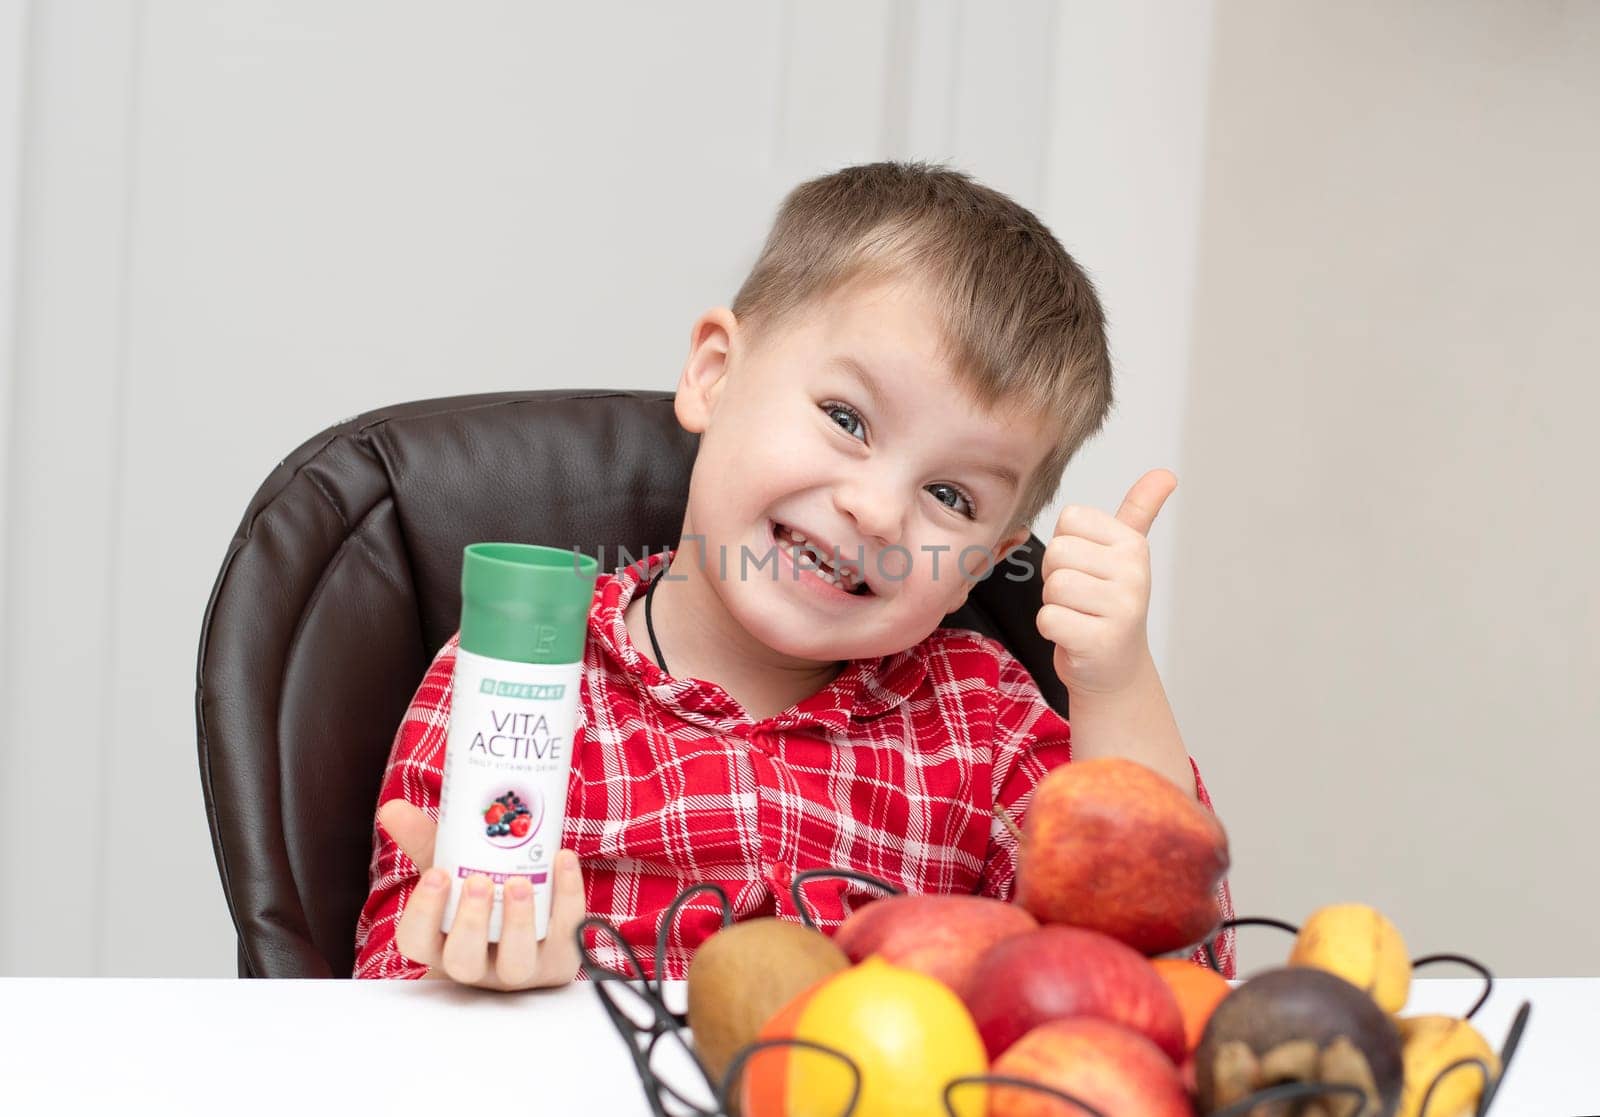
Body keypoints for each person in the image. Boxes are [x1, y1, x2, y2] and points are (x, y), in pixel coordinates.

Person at [354, 161, 1235, 988]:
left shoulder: (986, 727)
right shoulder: (522, 682)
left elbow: (1166, 979)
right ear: (714, 373)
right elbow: (376, 1013)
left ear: (986, 562)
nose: (879, 510)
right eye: (847, 417)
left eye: (950, 496)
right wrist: (468, 972)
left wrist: (1118, 681)